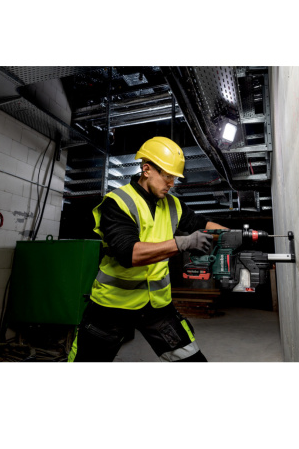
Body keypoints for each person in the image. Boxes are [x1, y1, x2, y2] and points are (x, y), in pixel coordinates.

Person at [68, 136, 227, 362]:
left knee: (192, 361)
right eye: (168, 176)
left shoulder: (173, 204)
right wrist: (183, 243)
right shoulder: (118, 202)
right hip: (112, 305)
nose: (172, 183)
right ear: (147, 169)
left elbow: (202, 224)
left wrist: (231, 236)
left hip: (157, 306)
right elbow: (129, 253)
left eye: (174, 177)